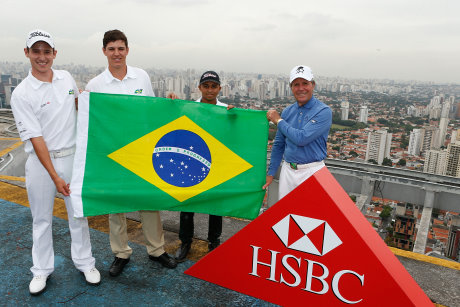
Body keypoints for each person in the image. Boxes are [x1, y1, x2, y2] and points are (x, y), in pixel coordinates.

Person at [10, 29, 100, 296]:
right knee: (41, 219)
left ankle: (85, 263)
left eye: (46, 51)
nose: (41, 57)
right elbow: (37, 140)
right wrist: (55, 176)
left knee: (79, 215)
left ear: (54, 54)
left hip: (71, 158)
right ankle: (41, 270)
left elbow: (77, 108)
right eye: (35, 51)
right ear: (27, 53)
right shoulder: (22, 93)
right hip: (41, 164)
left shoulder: (67, 78)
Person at [85, 29, 177, 277]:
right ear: (104, 51)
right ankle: (121, 253)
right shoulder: (95, 84)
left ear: (127, 50)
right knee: (116, 205)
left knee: (148, 201)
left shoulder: (142, 77)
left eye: (121, 48)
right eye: (112, 49)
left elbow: (150, 111)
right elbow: (90, 121)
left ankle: (156, 249)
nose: (117, 53)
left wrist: (169, 104)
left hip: (141, 149)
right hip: (112, 153)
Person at [175, 71, 234, 262]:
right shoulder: (190, 108)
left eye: (213, 86)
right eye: (206, 86)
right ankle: (185, 242)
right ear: (199, 88)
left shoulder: (227, 110)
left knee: (215, 206)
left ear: (219, 89)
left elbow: (237, 132)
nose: (210, 90)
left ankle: (213, 243)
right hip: (192, 162)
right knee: (187, 205)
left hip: (217, 164)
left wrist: (236, 117)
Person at [263, 65, 332, 200]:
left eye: (305, 83)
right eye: (296, 84)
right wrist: (271, 173)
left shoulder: (323, 111)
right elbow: (279, 144)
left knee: (310, 217)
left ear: (313, 85)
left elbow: (302, 138)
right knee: (285, 215)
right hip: (288, 170)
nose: (301, 88)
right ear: (291, 87)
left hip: (312, 171)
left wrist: (278, 120)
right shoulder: (288, 111)